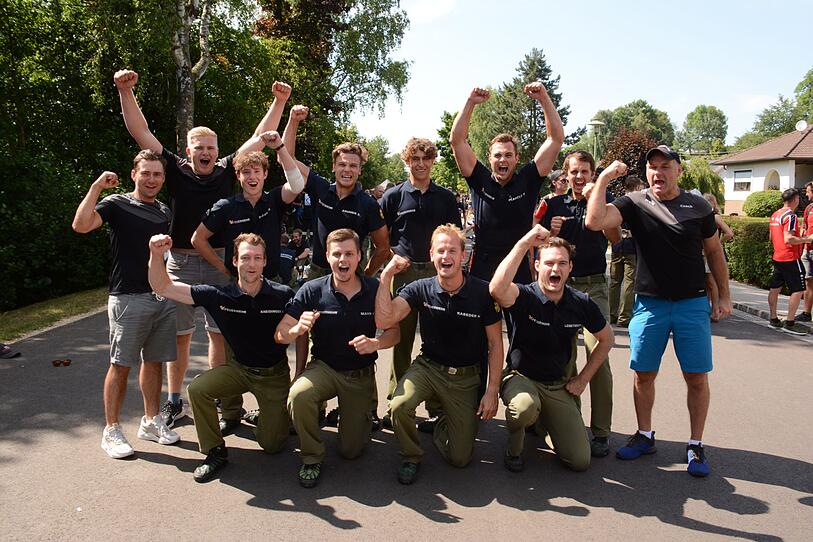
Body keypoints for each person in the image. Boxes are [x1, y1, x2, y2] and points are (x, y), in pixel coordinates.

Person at [114, 69, 293, 427]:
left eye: (212, 148)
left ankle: (224, 402)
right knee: (178, 338)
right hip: (179, 261)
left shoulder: (228, 169)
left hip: (218, 264)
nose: (207, 153)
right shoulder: (175, 168)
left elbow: (259, 140)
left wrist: (280, 101)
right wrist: (125, 91)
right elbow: (141, 132)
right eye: (200, 148)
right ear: (188, 150)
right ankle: (174, 400)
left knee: (218, 335)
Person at [585, 145, 731, 477]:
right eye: (652, 167)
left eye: (665, 166)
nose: (657, 173)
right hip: (649, 304)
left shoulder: (697, 206)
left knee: (695, 376)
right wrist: (605, 177)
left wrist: (723, 296)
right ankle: (645, 435)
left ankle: (695, 444)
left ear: (678, 171)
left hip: (691, 304)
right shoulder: (636, 203)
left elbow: (714, 251)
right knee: (644, 374)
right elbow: (594, 221)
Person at [148, 233, 294, 482]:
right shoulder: (219, 295)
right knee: (198, 389)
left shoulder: (283, 295)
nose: (251, 264)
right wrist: (155, 254)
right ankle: (215, 451)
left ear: (265, 262)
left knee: (272, 445)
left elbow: (300, 334)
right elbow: (162, 287)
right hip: (239, 370)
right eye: (246, 258)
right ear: (235, 261)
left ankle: (269, 415)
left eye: (257, 258)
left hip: (273, 376)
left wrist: (299, 372)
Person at [72, 150, 179, 459]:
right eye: (146, 173)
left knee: (155, 362)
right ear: (134, 174)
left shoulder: (163, 211)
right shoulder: (116, 203)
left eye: (157, 174)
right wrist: (95, 188)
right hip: (128, 298)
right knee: (121, 365)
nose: (152, 179)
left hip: (161, 297)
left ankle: (150, 421)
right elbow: (81, 225)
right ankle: (112, 430)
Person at [375, 225, 503, 484]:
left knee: (460, 458)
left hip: (465, 377)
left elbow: (495, 345)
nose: (447, 257)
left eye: (452, 250)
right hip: (429, 368)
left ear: (463, 255)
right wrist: (386, 275)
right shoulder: (419, 288)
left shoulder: (482, 292)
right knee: (398, 406)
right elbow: (385, 317)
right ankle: (411, 454)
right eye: (441, 250)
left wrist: (491, 391)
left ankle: (445, 420)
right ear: (432, 255)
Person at [275, 229, 399, 488]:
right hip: (325, 368)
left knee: (351, 451)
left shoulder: (375, 288)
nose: (343, 260)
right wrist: (298, 329)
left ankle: (354, 415)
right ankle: (311, 456)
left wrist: (376, 343)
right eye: (337, 254)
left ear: (359, 258)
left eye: (349, 254)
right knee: (299, 395)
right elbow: (281, 333)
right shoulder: (312, 290)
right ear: (328, 257)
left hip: (359, 375)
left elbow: (394, 332)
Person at [489, 227, 613, 472]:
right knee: (524, 407)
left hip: (558, 385)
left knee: (579, 461)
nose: (555, 269)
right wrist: (524, 242)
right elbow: (496, 289)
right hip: (521, 379)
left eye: (561, 264)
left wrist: (583, 379)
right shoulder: (524, 295)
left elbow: (606, 340)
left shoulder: (581, 303)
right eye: (548, 263)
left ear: (570, 269)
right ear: (537, 266)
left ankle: (544, 422)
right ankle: (514, 448)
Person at [541, 150, 621, 458]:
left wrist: (595, 203)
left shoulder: (601, 200)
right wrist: (553, 232)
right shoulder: (555, 204)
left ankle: (601, 431)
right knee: (561, 358)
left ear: (592, 174)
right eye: (574, 171)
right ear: (566, 174)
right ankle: (566, 422)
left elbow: (616, 238)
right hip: (561, 288)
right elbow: (543, 245)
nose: (579, 177)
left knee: (597, 356)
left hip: (594, 288)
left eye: (585, 171)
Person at [379, 138, 462, 430]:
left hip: (436, 274)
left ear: (433, 161)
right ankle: (396, 401)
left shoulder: (446, 198)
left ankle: (438, 405)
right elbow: (381, 236)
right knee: (399, 338)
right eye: (415, 158)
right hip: (403, 273)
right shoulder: (393, 196)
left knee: (437, 337)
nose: (420, 164)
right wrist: (390, 258)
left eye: (426, 158)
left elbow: (455, 236)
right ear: (407, 161)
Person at [449, 82, 563, 283]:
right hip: (483, 270)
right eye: (498, 155)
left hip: (518, 269)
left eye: (508, 155)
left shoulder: (528, 179)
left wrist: (544, 98)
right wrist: (470, 102)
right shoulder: (479, 179)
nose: (503, 160)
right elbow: (457, 141)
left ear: (516, 158)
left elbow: (555, 139)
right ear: (490, 158)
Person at [281, 105, 390, 280]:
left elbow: (383, 247)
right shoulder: (321, 187)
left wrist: (366, 275)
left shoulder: (368, 204)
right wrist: (293, 120)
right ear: (334, 167)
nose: (347, 170)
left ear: (360, 170)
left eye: (353, 165)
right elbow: (287, 158)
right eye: (342, 164)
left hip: (351, 277)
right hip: (317, 274)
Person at [191, 136, 304, 283]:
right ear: (238, 175)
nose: (252, 177)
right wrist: (223, 268)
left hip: (272, 282)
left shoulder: (275, 199)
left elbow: (297, 185)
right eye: (246, 172)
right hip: (237, 284)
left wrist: (279, 147)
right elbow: (198, 239)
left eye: (257, 171)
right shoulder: (226, 206)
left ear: (265, 174)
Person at [767, 188, 811, 335]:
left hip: (777, 256)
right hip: (790, 257)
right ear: (795, 200)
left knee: (775, 287)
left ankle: (773, 319)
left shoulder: (775, 214)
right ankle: (790, 323)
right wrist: (807, 239)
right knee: (798, 290)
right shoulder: (790, 216)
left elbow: (771, 237)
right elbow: (789, 239)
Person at [609, 176, 645, 327]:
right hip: (631, 247)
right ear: (637, 187)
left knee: (614, 282)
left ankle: (611, 314)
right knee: (629, 282)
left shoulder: (618, 203)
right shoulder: (637, 204)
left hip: (617, 246)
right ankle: (624, 317)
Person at [702, 193, 734, 321]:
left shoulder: (714, 217)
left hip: (713, 254)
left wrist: (718, 243)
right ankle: (710, 309)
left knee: (711, 282)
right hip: (705, 253)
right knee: (708, 283)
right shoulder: (707, 217)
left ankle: (715, 310)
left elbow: (729, 233)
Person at [797, 182, 813, 321]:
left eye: (808, 191)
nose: (807, 194)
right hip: (807, 250)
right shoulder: (809, 208)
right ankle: (806, 313)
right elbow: (804, 225)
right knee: (808, 281)